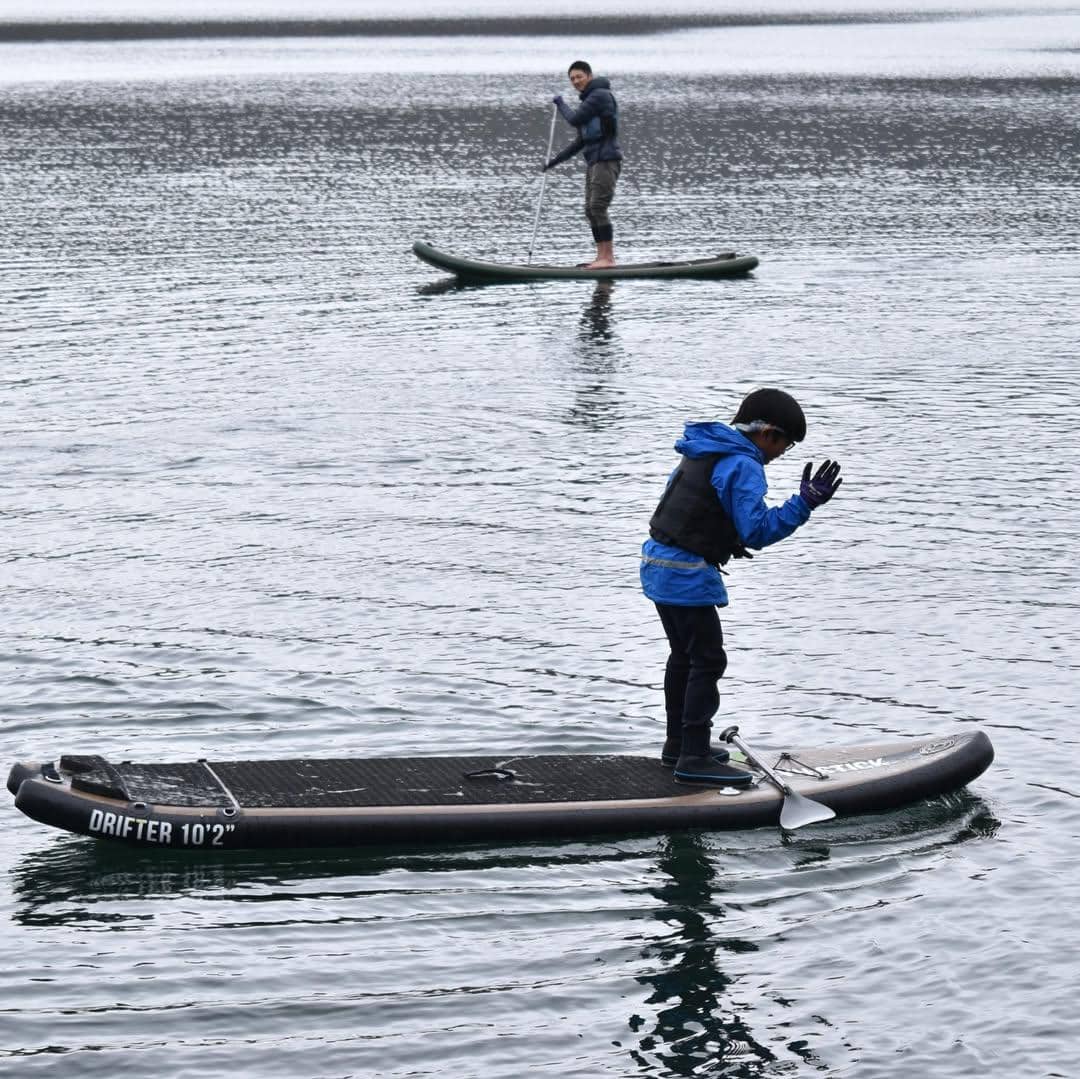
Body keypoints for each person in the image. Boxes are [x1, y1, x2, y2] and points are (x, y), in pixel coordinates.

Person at [640, 389, 843, 786]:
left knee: (684, 655)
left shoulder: (703, 448)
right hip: (685, 573)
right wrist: (804, 504)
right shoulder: (743, 464)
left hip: (656, 564)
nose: (783, 451)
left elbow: (695, 508)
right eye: (785, 442)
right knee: (708, 660)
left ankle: (678, 744)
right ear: (767, 433)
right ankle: (693, 757)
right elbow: (756, 531)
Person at [544, 60, 623, 268]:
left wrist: (560, 104)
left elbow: (574, 119)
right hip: (594, 161)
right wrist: (554, 162)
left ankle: (608, 259)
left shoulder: (599, 96)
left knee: (598, 206)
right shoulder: (589, 101)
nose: (575, 81)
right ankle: (601, 257)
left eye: (579, 76)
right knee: (589, 209)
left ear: (589, 75)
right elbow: (580, 141)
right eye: (572, 79)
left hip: (607, 160)